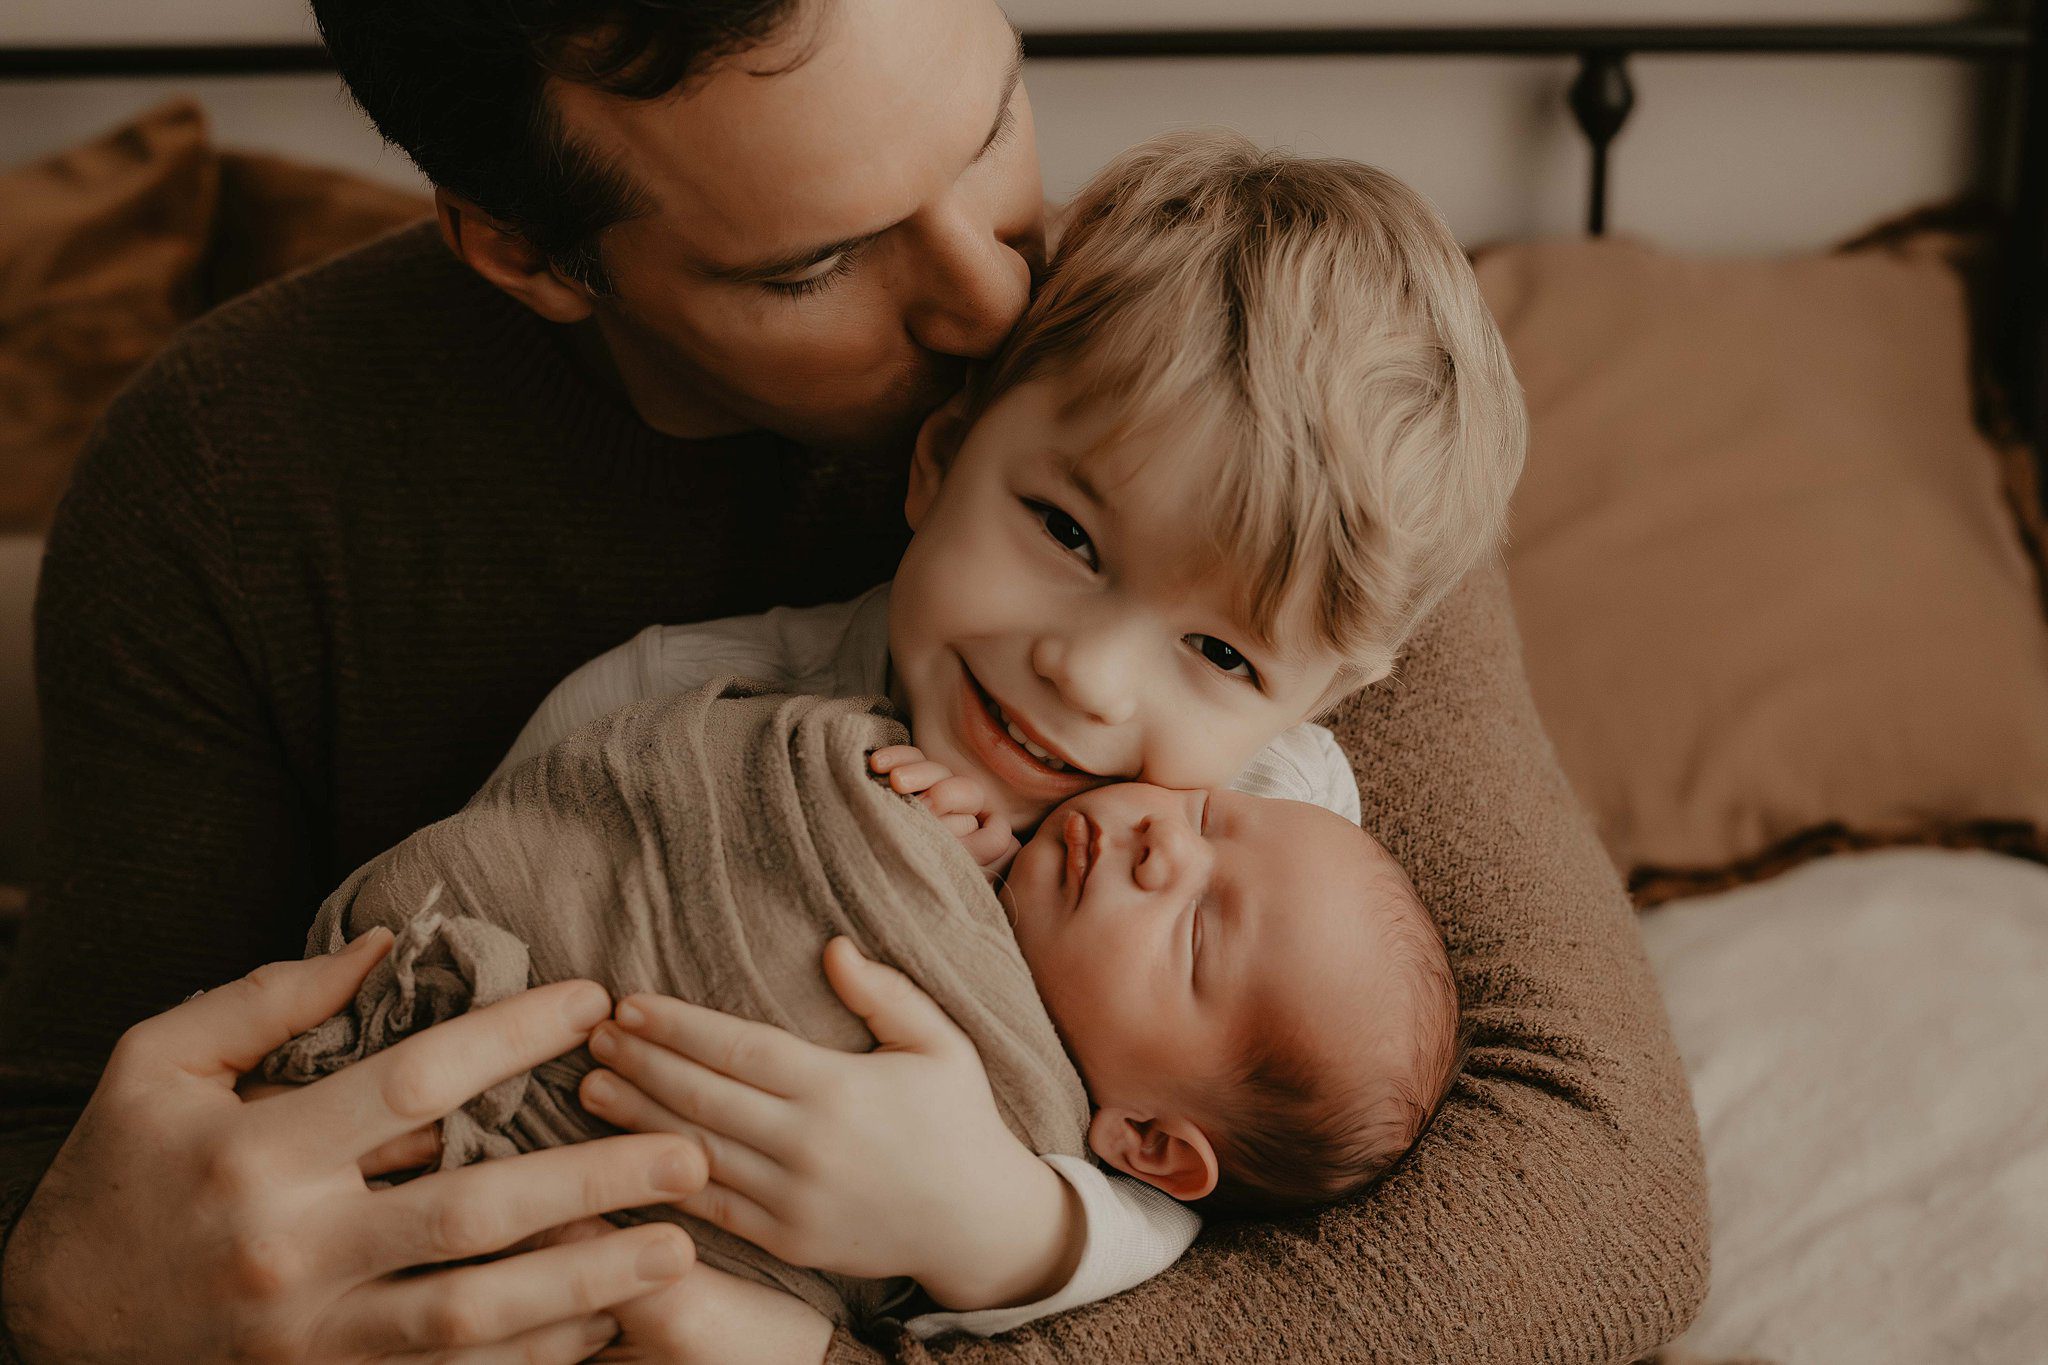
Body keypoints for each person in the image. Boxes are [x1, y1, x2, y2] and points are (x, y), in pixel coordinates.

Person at [0, 1, 1709, 1361]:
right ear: (529, 249)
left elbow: (1591, 1199)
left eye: (990, 124)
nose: (994, 294)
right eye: (814, 260)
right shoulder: (228, 489)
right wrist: (74, 1314)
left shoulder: (1258, 390)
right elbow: (89, 1183)